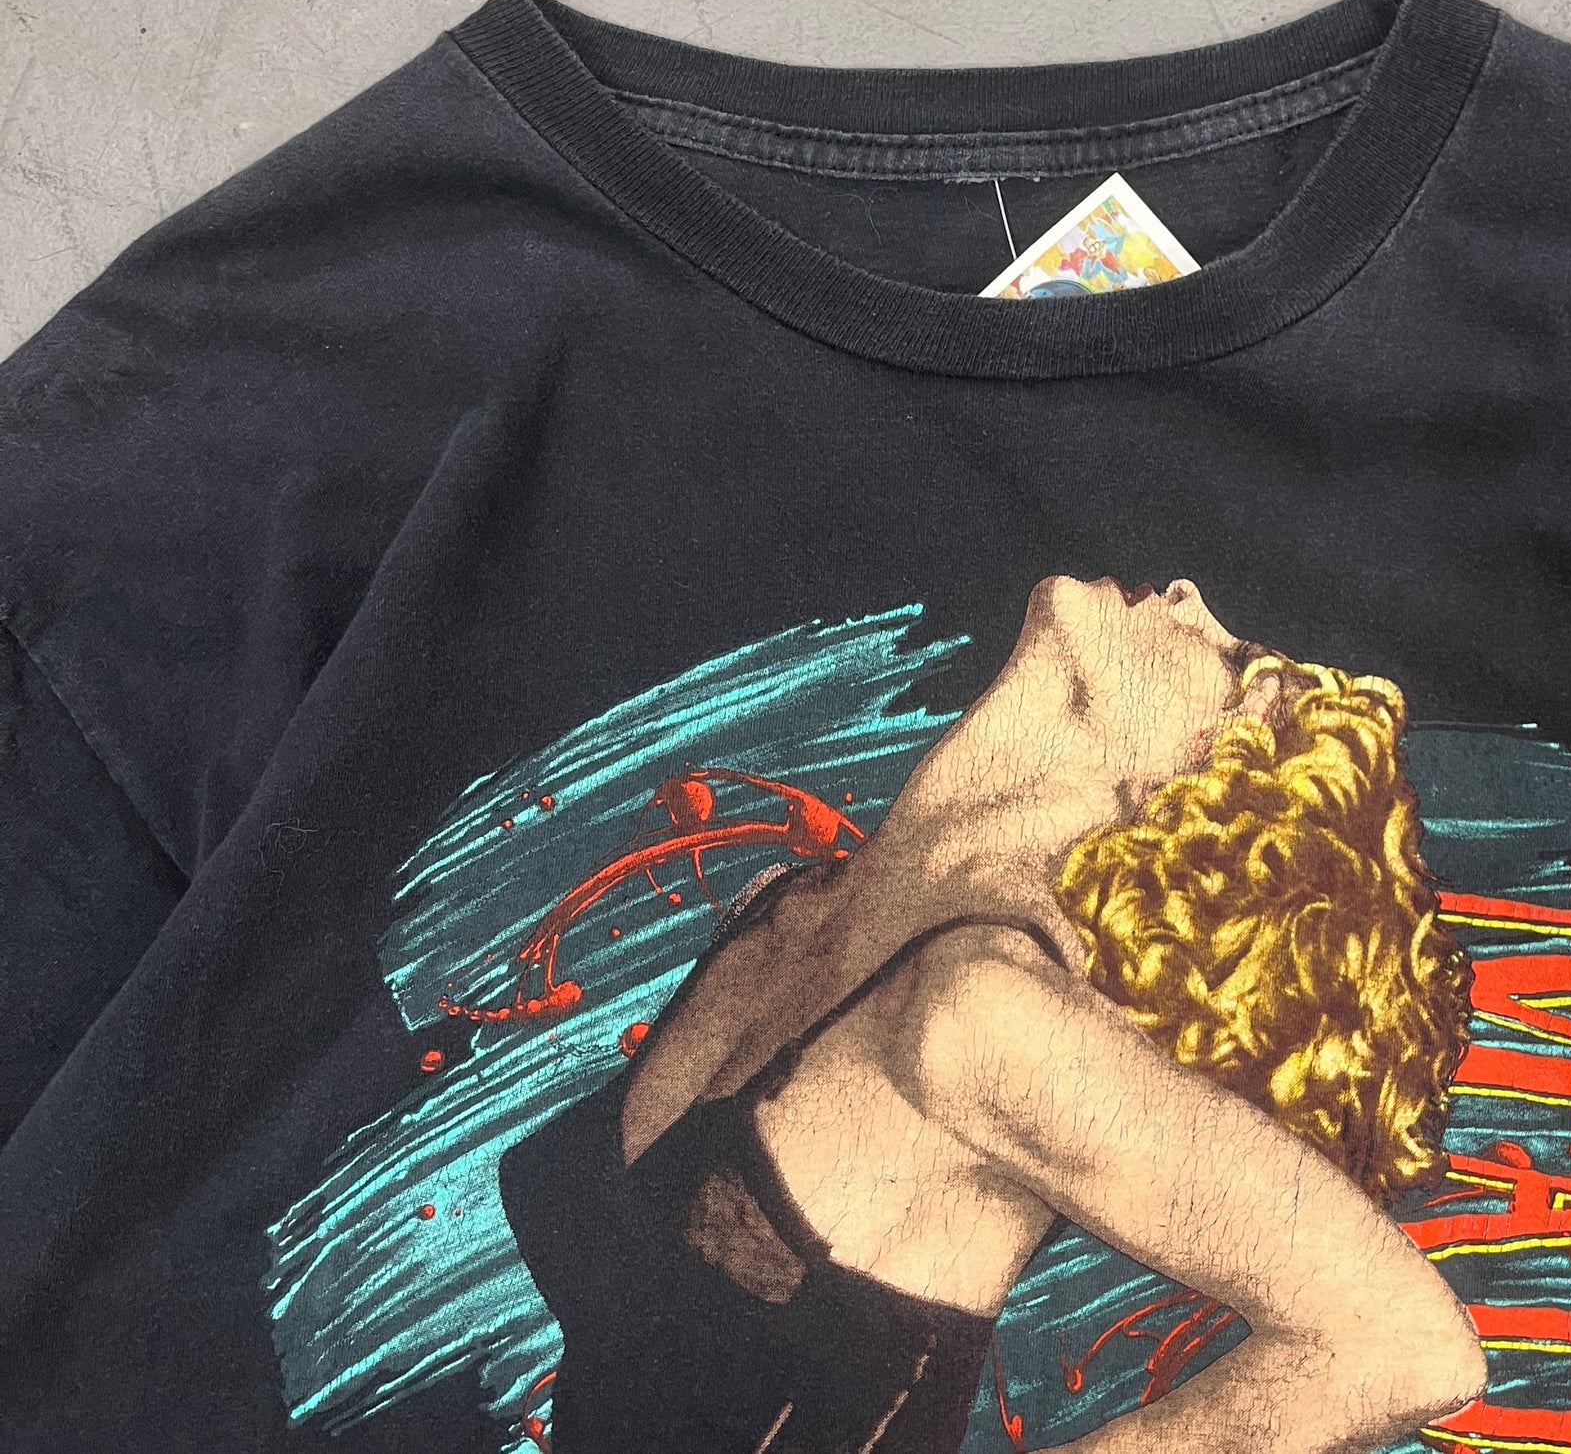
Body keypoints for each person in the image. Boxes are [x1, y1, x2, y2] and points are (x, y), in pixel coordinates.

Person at [498, 574, 1485, 1453]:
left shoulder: (990, 1012)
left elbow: (1408, 1347)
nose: (1189, 594)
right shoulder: (791, 905)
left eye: (1231, 661)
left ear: (1206, 781)